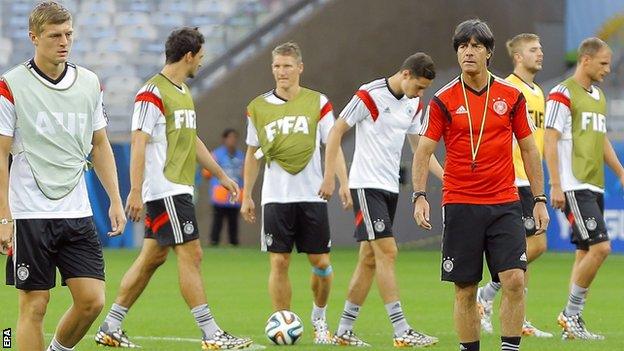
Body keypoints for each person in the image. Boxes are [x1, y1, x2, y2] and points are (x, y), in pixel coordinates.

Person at [95, 27, 252, 350]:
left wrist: (221, 175)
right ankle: (211, 334)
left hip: (176, 189)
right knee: (192, 254)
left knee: (152, 257)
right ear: (189, 56)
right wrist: (135, 190)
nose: (201, 63)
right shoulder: (151, 92)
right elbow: (138, 141)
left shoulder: (181, 92)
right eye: (201, 57)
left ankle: (111, 326)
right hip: (164, 190)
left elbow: (190, 139)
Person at [412, 19, 549, 351]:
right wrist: (419, 195)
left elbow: (529, 147)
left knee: (514, 279)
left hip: (504, 201)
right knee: (465, 287)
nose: (467, 52)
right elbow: (424, 149)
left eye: (475, 46)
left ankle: (509, 348)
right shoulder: (443, 99)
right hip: (460, 202)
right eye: (462, 46)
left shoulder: (510, 95)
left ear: (488, 52)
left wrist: (539, 197)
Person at [0, 2, 127, 350]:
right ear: (34, 37)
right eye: (55, 35)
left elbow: (99, 144)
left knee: (92, 301)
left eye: (68, 34)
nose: (64, 41)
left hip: (77, 212)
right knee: (35, 306)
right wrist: (4, 217)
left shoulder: (89, 82)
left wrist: (115, 198)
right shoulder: (11, 84)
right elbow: (0, 153)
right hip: (29, 214)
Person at [319, 53, 442, 347]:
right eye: (419, 86)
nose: (421, 93)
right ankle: (401, 331)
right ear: (405, 74)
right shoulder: (370, 95)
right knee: (388, 252)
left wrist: (446, 177)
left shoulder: (414, 104)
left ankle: (344, 331)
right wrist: (332, 177)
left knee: (369, 260)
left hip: (389, 188)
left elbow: (420, 149)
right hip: (366, 185)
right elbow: (337, 130)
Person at [240, 41, 350, 344]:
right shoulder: (257, 107)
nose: (281, 72)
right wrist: (247, 194)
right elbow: (252, 153)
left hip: (313, 195)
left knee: (322, 264)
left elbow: (333, 144)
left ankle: (319, 318)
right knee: (279, 263)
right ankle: (282, 323)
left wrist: (339, 181)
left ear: (300, 68)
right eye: (276, 66)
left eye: (287, 66)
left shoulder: (318, 102)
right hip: (276, 197)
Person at [544, 37, 621, 341]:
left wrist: (620, 171)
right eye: (603, 63)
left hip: (594, 183)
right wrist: (556, 184)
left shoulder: (599, 97)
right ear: (585, 60)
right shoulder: (562, 93)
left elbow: (601, 139)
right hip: (574, 184)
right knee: (601, 248)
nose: (608, 68)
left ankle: (572, 326)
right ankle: (570, 314)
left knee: (583, 252)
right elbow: (549, 139)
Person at [476, 33, 552, 338]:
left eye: (541, 48)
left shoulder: (539, 93)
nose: (540, 54)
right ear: (518, 57)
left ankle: (516, 315)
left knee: (529, 250)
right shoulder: (506, 88)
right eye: (534, 50)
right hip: (509, 179)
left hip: (527, 180)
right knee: (528, 248)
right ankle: (489, 292)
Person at [206, 128, 244, 246]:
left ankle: (234, 243)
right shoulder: (216, 154)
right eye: (230, 137)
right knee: (218, 221)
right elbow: (206, 173)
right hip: (220, 194)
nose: (233, 140)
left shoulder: (241, 156)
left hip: (235, 193)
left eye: (235, 138)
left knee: (234, 221)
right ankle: (214, 242)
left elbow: (245, 174)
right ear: (224, 139)